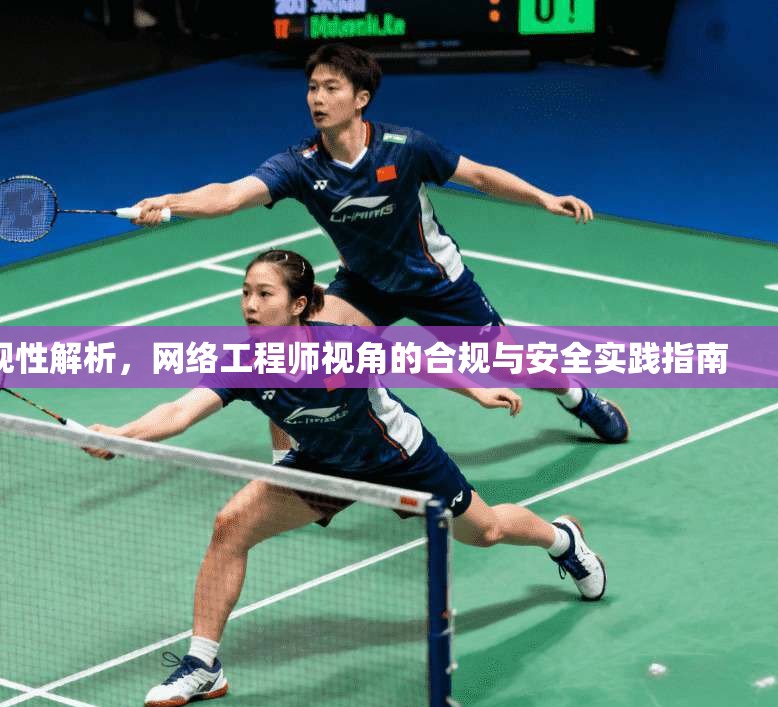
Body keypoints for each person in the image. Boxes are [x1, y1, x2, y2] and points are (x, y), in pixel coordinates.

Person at [87, 249, 607, 707]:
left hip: (400, 459)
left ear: (298, 304)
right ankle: (203, 665)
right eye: (245, 292)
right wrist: (124, 434)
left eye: (264, 294)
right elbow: (180, 411)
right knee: (231, 526)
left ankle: (562, 539)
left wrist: (476, 391)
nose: (249, 304)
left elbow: (416, 360)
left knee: (486, 531)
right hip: (324, 464)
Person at [127, 42, 628, 444]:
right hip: (365, 285)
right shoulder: (299, 164)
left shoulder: (405, 148)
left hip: (436, 282)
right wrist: (171, 201)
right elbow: (231, 195)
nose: (317, 99)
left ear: (361, 98)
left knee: (510, 363)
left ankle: (577, 397)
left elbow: (478, 176)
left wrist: (543, 198)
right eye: (312, 88)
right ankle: (290, 460)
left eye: (331, 88)